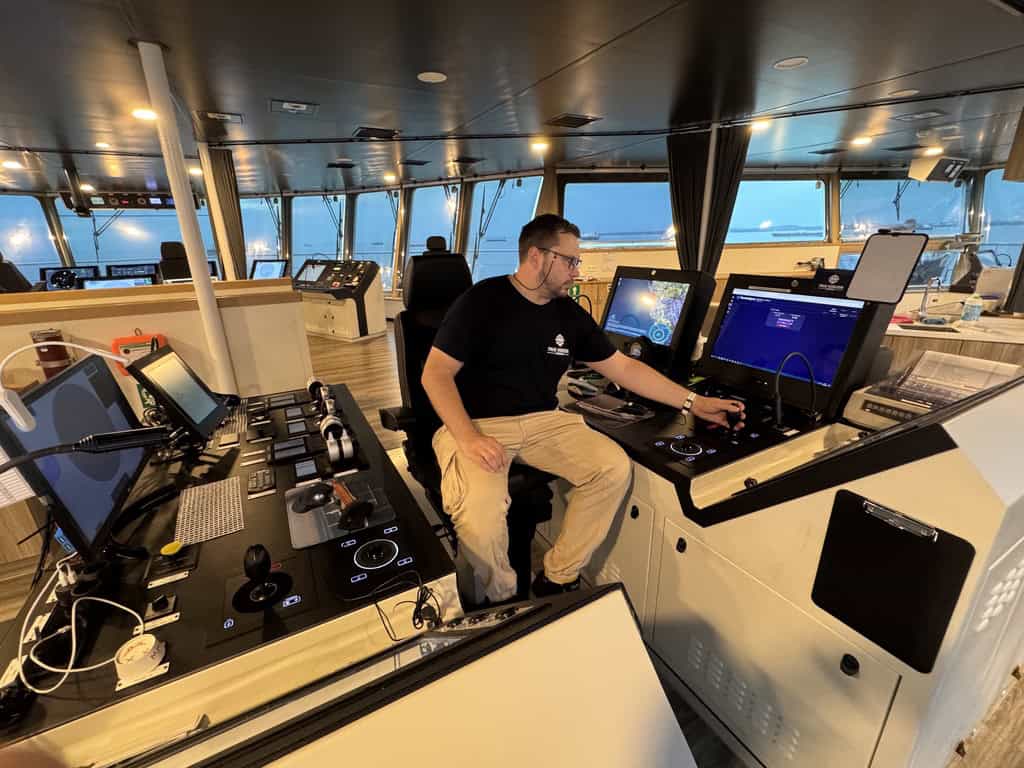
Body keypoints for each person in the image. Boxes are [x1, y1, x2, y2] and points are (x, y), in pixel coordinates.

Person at [421, 214, 743, 603]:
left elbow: (623, 368)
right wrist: (469, 438)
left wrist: (694, 401)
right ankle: (500, 602)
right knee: (481, 518)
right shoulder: (481, 301)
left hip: (544, 421)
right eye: (571, 260)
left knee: (611, 468)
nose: (577, 271)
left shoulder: (568, 314)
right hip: (476, 423)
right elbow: (435, 374)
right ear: (538, 256)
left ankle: (557, 577)